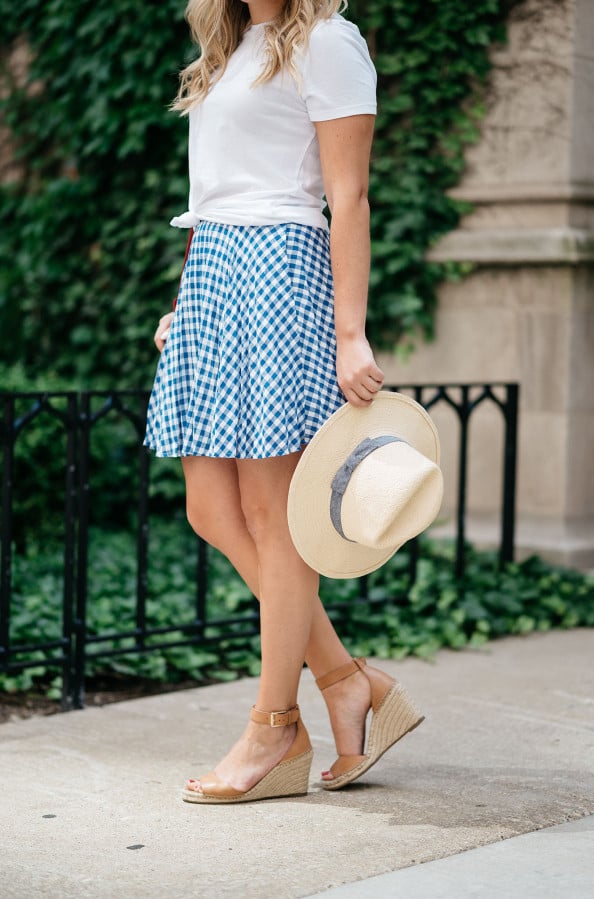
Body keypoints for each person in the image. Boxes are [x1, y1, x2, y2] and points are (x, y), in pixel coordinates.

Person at [144, 0, 422, 804]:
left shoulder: (330, 44)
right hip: (216, 276)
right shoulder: (231, 48)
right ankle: (345, 681)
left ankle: (275, 724)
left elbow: (349, 196)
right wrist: (187, 298)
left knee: (277, 519)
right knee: (209, 508)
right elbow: (216, 194)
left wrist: (351, 333)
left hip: (279, 278)